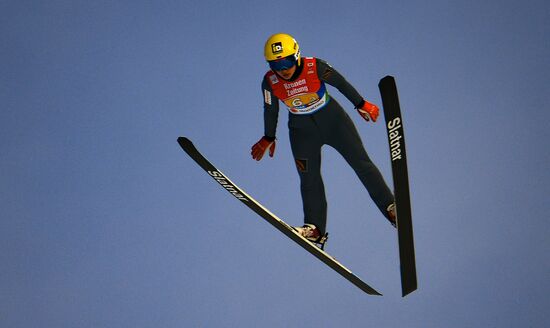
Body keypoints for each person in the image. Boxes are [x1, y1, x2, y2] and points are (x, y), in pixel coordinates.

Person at [251, 33, 396, 248]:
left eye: (287, 61)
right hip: (301, 131)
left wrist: (361, 103)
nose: (283, 69)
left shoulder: (314, 66)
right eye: (276, 65)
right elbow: (270, 109)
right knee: (308, 178)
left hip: (333, 121)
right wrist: (268, 136)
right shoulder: (269, 81)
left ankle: (391, 208)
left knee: (361, 163)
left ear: (297, 56)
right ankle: (315, 229)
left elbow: (341, 83)